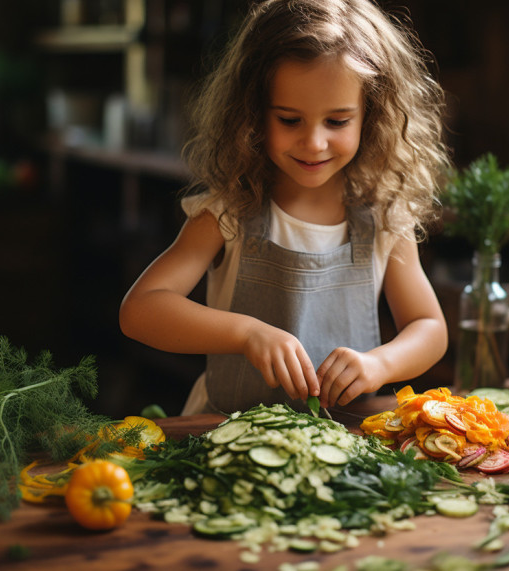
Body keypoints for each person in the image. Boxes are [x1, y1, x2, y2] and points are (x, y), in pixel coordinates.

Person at [119, 0, 450, 415]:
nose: (314, 143)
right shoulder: (230, 211)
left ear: (373, 114)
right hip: (225, 435)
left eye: (337, 121)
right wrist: (246, 334)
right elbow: (140, 310)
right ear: (253, 114)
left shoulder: (383, 218)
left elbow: (430, 328)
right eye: (290, 120)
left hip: (345, 446)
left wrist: (379, 364)